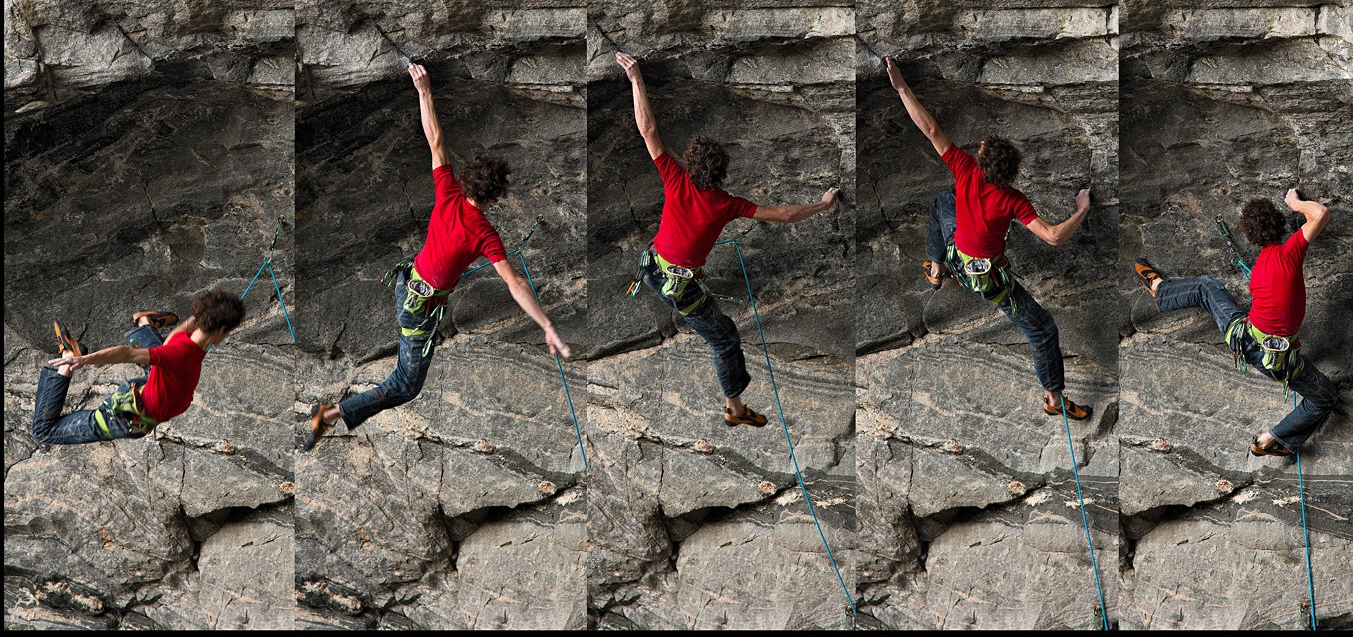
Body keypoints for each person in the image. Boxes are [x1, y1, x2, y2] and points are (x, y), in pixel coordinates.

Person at [304, 63, 572, 449]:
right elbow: (514, 284)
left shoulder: (447, 190)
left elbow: (435, 139)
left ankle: (332, 414)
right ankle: (327, 416)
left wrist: (424, 91)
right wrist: (546, 324)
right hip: (418, 305)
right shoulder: (484, 233)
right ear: (496, 196)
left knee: (406, 375)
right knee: (405, 385)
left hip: (407, 283)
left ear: (467, 179)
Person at [616, 52, 839, 428]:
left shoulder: (675, 177)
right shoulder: (727, 203)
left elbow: (648, 130)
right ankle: (735, 409)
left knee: (705, 303)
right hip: (678, 287)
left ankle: (734, 400)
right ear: (722, 173)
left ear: (690, 163)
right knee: (725, 340)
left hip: (652, 264)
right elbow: (784, 214)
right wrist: (821, 204)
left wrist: (636, 78)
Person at [885, 57, 1095, 420]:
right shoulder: (1014, 199)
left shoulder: (965, 169)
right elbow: (1054, 237)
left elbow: (930, 129)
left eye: (981, 147)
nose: (978, 145)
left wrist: (901, 86)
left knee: (943, 201)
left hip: (959, 259)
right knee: (1042, 328)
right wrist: (1081, 210)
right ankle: (1053, 399)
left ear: (981, 162)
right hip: (987, 277)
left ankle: (936, 268)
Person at [1134, 190, 1339, 456]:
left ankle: (1160, 289)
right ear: (1280, 224)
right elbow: (1321, 213)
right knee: (1324, 398)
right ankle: (1271, 439)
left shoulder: (1261, 266)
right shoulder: (1290, 252)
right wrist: (1296, 204)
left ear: (1251, 237)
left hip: (1243, 337)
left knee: (1205, 287)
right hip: (1277, 357)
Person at [34, 292, 245, 444]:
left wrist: (213, 311)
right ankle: (68, 358)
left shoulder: (187, 338)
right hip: (129, 417)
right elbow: (128, 353)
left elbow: (179, 332)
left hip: (150, 385)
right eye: (227, 333)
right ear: (221, 330)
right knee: (43, 431)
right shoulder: (179, 353)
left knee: (158, 359)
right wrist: (86, 359)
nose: (226, 337)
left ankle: (146, 323)